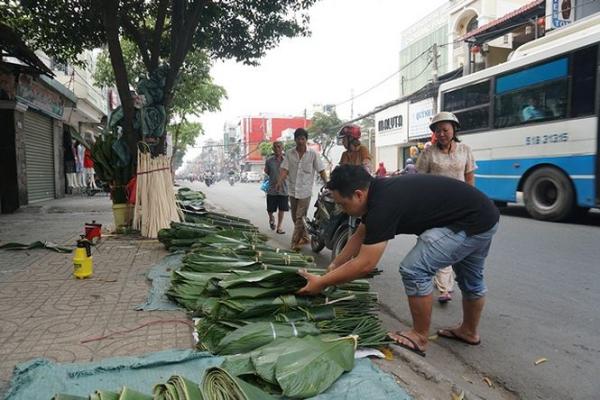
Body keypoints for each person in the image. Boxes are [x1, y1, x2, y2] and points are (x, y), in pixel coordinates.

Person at [297, 164, 499, 357]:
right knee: (470, 278)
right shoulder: (379, 191)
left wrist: (322, 282)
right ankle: (469, 332)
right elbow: (361, 233)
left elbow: (365, 265)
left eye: (342, 204)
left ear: (358, 194)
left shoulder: (382, 205)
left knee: (414, 269)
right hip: (484, 216)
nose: (342, 209)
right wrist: (335, 266)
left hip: (469, 221)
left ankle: (419, 336)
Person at [416, 112, 477, 304]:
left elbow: (469, 178)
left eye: (445, 129)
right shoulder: (428, 153)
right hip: (435, 207)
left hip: (459, 206)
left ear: (454, 129)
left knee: (454, 243)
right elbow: (420, 181)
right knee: (436, 243)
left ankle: (444, 285)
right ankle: (443, 286)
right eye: (437, 130)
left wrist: (472, 202)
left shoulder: (465, 150)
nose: (441, 133)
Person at [276, 128, 328, 251]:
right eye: (298, 139)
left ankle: (294, 243)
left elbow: (321, 170)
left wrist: (327, 183)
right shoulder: (289, 153)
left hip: (305, 191)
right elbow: (284, 170)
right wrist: (279, 182)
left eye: (303, 139)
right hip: (293, 190)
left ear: (306, 139)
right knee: (295, 217)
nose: (300, 141)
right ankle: (305, 236)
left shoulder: (313, 154)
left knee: (300, 217)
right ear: (295, 140)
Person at [264, 141, 289, 234]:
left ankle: (279, 227)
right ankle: (271, 218)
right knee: (270, 209)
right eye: (275, 147)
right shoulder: (269, 161)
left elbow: (289, 172)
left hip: (284, 188)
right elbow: (266, 171)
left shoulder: (287, 160)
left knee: (282, 209)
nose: (277, 149)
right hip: (272, 189)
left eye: (279, 147)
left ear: (282, 148)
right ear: (273, 149)